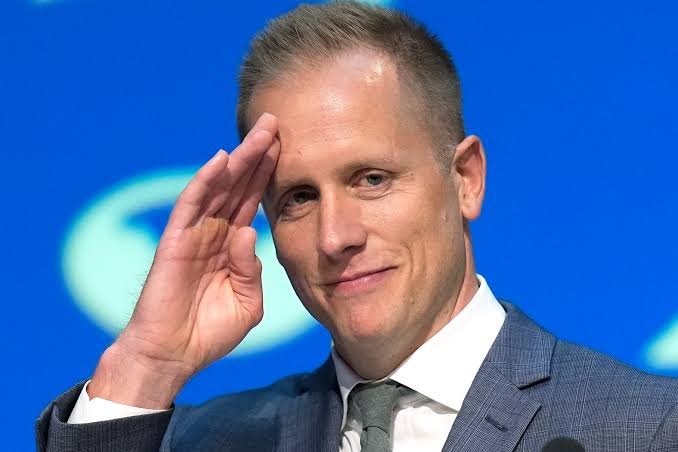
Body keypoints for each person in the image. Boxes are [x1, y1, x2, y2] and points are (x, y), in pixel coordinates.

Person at [36, 2, 678, 451]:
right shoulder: (202, 441)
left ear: (465, 178)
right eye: (298, 198)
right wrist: (145, 365)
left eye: (371, 179)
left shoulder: (645, 429)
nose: (335, 236)